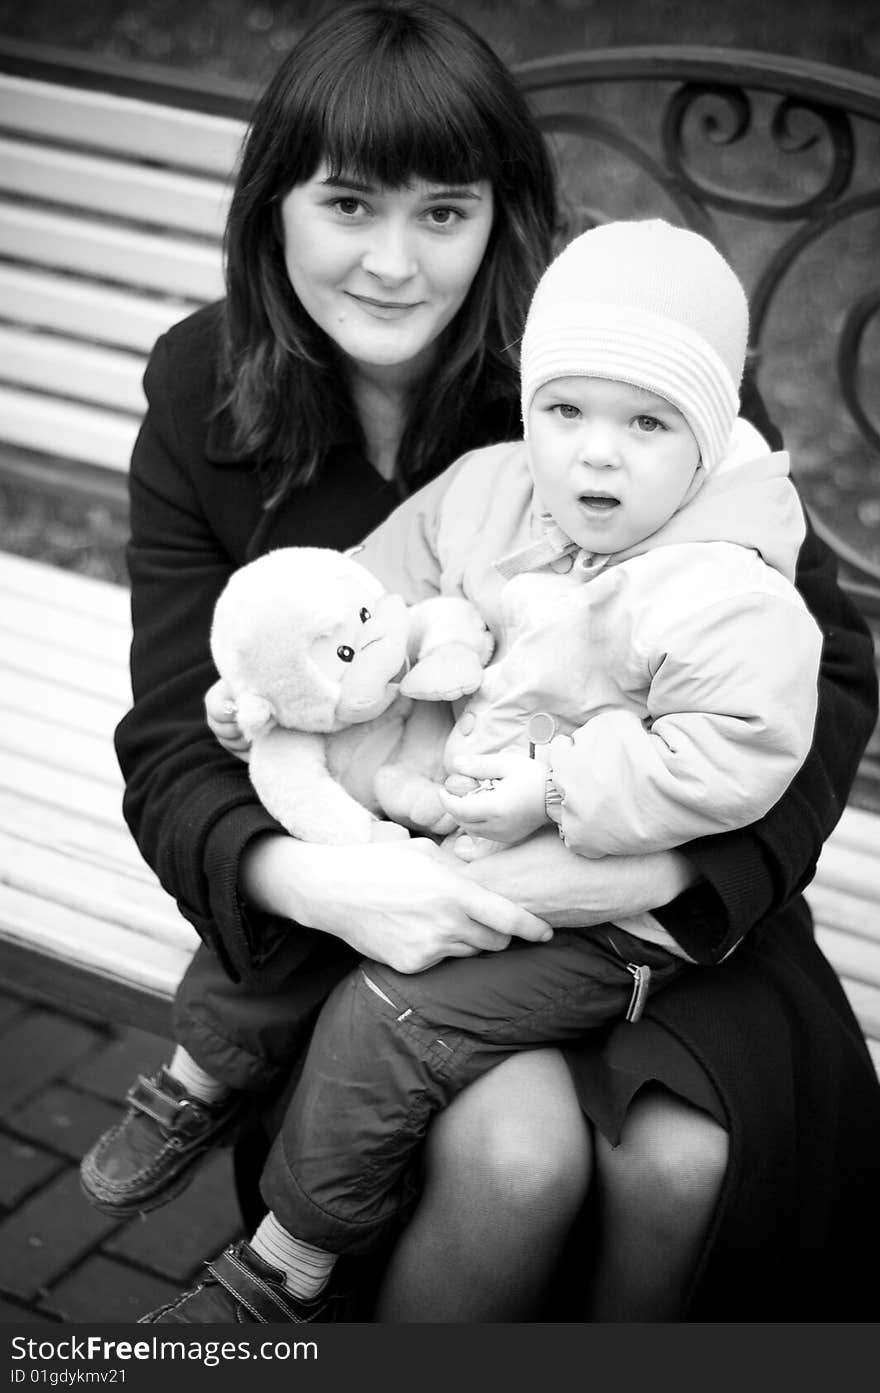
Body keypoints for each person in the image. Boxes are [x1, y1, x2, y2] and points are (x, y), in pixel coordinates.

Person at [77, 0, 880, 1323]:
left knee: (687, 1157)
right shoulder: (203, 389)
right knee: (519, 1153)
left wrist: (651, 853)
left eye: (442, 213)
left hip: (653, 857)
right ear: (272, 208)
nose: (393, 261)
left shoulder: (620, 363)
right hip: (373, 878)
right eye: (348, 206)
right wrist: (336, 884)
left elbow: (822, 679)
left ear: (503, 217)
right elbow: (175, 735)